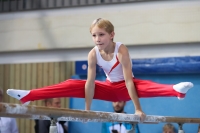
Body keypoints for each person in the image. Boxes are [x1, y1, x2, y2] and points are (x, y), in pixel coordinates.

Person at [7, 18, 193, 122]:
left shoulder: (121, 50)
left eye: (101, 35)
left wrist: (138, 109)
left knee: (142, 85)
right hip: (107, 88)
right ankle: (29, 96)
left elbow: (128, 81)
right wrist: (87, 110)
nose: (97, 39)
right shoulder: (92, 54)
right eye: (94, 35)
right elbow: (89, 83)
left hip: (126, 88)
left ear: (112, 35)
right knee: (72, 83)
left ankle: (175, 90)